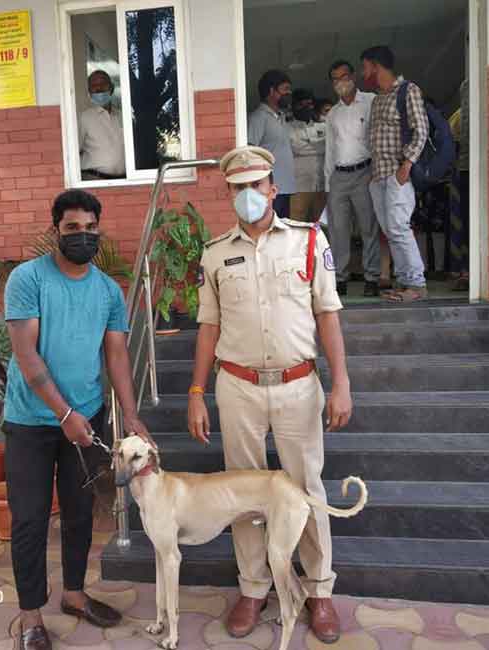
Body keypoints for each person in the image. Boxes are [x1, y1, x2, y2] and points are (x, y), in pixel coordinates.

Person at [188, 145, 353, 644]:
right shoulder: (215, 252)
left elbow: (328, 314)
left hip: (298, 386)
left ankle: (319, 590)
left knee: (306, 489)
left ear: (272, 189)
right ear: (230, 194)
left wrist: (341, 382)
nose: (247, 196)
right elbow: (207, 327)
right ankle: (254, 589)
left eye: (255, 185)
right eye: (237, 189)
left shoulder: (307, 241)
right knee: (244, 494)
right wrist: (196, 390)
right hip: (236, 387)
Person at [3, 189, 151, 650]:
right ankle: (30, 617)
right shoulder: (28, 279)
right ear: (56, 231)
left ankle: (73, 594)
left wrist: (130, 415)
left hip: (86, 418)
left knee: (80, 514)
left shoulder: (108, 290)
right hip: (30, 422)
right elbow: (26, 356)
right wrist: (62, 413)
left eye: (90, 229)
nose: (82, 237)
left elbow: (117, 356)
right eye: (72, 229)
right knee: (28, 520)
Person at [361, 45, 429, 302]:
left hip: (398, 173)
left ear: (376, 66)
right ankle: (404, 281)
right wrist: (372, 172)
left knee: (399, 227)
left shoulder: (408, 91)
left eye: (365, 67)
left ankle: (417, 284)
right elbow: (374, 138)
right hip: (378, 175)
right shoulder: (378, 99)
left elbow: (420, 129)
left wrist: (407, 165)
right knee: (390, 230)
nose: (363, 72)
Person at [323, 59, 391, 297]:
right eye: (335, 79)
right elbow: (330, 150)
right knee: (338, 230)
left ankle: (371, 277)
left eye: (344, 76)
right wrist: (327, 184)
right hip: (339, 177)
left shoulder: (371, 102)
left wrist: (376, 173)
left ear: (353, 77)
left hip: (365, 173)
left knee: (368, 227)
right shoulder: (333, 114)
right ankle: (339, 278)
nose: (340, 82)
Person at [247, 70, 297, 219]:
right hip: (269, 189)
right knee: (270, 230)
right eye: (285, 89)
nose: (289, 93)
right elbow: (250, 151)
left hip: (285, 186)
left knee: (282, 231)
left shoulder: (281, 116)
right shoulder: (258, 117)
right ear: (271, 91)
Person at [288, 88, 327, 223]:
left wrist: (305, 145)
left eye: (309, 104)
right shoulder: (287, 127)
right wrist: (318, 146)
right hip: (298, 186)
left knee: (321, 226)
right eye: (302, 104)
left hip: (321, 184)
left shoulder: (323, 125)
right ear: (294, 106)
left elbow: (327, 147)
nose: (306, 108)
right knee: (297, 225)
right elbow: (295, 148)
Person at [77, 70, 125, 181]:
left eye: (103, 83)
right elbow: (75, 152)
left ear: (111, 88)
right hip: (94, 179)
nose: (99, 88)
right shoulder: (84, 118)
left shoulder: (122, 116)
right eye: (94, 85)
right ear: (89, 91)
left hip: (123, 180)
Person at [447, 78, 470, 291]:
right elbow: (451, 145)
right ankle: (463, 271)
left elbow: (451, 145)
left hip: (465, 172)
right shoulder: (459, 116)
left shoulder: (458, 115)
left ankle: (465, 270)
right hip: (463, 172)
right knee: (463, 223)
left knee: (464, 223)